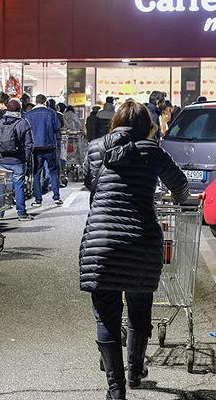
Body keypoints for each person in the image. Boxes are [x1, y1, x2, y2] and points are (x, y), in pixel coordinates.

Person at [80, 100, 188, 400]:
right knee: (139, 310)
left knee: (106, 317)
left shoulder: (95, 148)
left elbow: (90, 183)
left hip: (101, 243)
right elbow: (180, 185)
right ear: (146, 125)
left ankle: (116, 390)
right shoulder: (151, 150)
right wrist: (177, 197)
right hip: (141, 241)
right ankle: (136, 371)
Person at [0, 99, 34, 220]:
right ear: (19, 110)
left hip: (2, 160)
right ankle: (21, 213)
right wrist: (24, 158)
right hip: (17, 161)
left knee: (1, 186)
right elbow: (29, 144)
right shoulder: (23, 123)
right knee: (19, 186)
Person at [25, 94, 63, 206]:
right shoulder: (51, 113)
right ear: (45, 102)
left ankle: (38, 199)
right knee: (53, 172)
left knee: (36, 173)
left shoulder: (28, 114)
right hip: (50, 146)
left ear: (36, 102)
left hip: (35, 148)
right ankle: (56, 197)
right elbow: (57, 128)